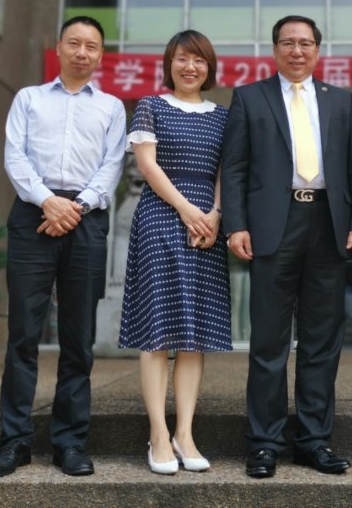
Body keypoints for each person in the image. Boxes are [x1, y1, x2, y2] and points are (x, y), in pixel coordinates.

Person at [221, 15, 352, 478]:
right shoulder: (250, 97)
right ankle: (264, 443)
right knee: (268, 340)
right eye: (287, 43)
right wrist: (236, 225)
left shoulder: (340, 101)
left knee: (321, 341)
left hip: (328, 223)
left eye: (305, 43)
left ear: (317, 50)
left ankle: (313, 441)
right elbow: (235, 168)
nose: (297, 50)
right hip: (274, 224)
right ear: (274, 50)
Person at [0, 16, 126, 478]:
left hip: (86, 219)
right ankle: (14, 442)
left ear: (101, 55)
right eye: (74, 43)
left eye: (92, 46)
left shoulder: (111, 107)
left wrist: (75, 207)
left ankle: (70, 443)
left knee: (78, 339)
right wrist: (48, 201)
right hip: (33, 216)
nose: (82, 52)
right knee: (23, 335)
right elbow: (14, 156)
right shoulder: (29, 98)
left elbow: (112, 166)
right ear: (58, 47)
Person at [119, 30, 232, 475]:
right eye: (183, 58)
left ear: (209, 67)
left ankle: (185, 433)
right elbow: (147, 165)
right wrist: (188, 211)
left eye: (199, 60)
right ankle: (158, 434)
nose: (191, 67)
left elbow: (225, 171)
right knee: (158, 331)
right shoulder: (151, 106)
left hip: (207, 226)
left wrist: (215, 215)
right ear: (169, 63)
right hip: (162, 218)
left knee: (194, 333)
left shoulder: (223, 116)